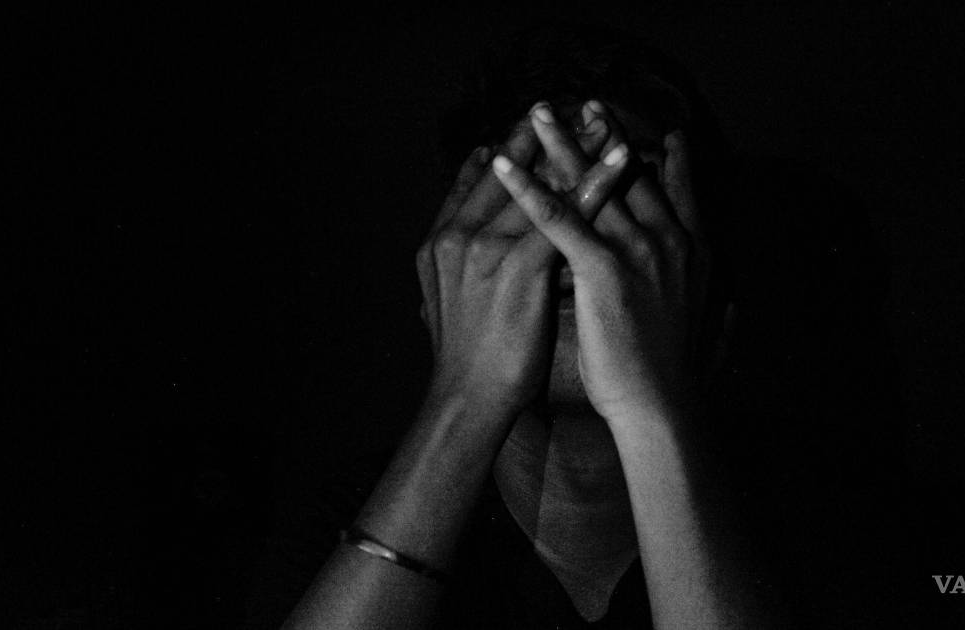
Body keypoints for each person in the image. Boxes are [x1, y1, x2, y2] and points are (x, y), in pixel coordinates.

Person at [260, 24, 908, 629]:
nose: (571, 240)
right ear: (449, 274)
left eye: (623, 192)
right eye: (525, 198)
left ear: (713, 295)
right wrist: (463, 402)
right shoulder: (332, 526)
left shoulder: (845, 529)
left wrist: (649, 408)